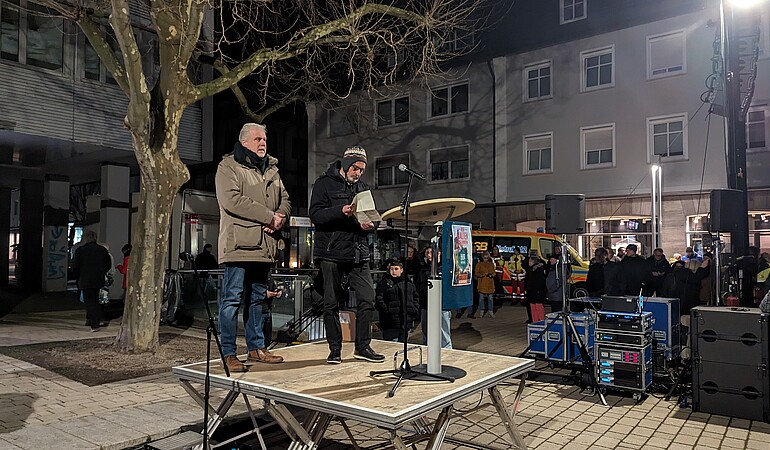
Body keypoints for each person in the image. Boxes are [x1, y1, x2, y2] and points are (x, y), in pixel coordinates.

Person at [215, 122, 290, 372]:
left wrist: (280, 216)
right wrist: (269, 216)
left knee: (258, 299)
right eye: (258, 139)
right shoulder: (228, 167)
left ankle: (257, 348)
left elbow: (286, 199)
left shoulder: (272, 170)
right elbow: (233, 201)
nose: (263, 143)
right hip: (238, 244)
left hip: (264, 246)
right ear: (244, 141)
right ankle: (228, 353)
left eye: (265, 140)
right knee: (232, 300)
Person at [309, 145, 385, 364]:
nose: (358, 173)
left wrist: (372, 225)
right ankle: (335, 349)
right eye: (355, 168)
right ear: (345, 164)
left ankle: (363, 346)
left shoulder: (363, 187)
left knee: (367, 298)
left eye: (362, 169)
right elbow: (315, 215)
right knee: (331, 303)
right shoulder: (324, 184)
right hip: (331, 252)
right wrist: (340, 211)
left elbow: (373, 218)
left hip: (358, 253)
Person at [71, 230, 112, 332]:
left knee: (89, 302)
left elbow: (75, 266)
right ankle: (92, 320)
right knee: (96, 300)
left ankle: (94, 323)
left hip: (85, 280)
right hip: (98, 279)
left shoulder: (80, 250)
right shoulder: (102, 250)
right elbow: (108, 264)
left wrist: (77, 276)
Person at [375, 259, 420, 342]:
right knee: (392, 345)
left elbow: (415, 297)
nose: (394, 271)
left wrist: (414, 310)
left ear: (401, 270)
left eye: (396, 269)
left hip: (406, 322)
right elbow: (379, 299)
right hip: (390, 323)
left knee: (402, 347)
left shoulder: (408, 283)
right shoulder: (384, 283)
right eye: (392, 269)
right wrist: (386, 311)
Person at [523, 256, 546, 323]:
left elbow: (540, 281)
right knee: (532, 307)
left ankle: (541, 320)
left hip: (537, 291)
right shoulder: (530, 269)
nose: (528, 262)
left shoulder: (538, 270)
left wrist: (537, 289)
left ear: (533, 262)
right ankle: (535, 320)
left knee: (538, 307)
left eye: (530, 261)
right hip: (531, 291)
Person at [474, 251, 496, 317]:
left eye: (487, 257)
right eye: (484, 257)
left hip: (490, 283)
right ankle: (481, 311)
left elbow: (494, 272)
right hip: (482, 283)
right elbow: (476, 273)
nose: (485, 258)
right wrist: (482, 275)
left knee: (490, 298)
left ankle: (490, 311)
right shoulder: (479, 264)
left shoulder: (491, 264)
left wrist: (492, 275)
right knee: (481, 298)